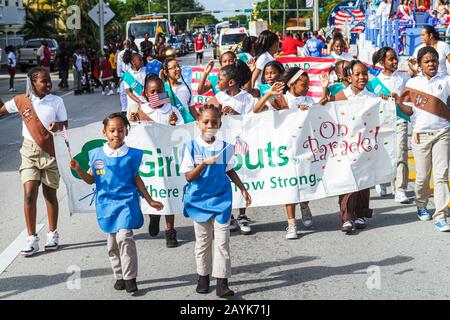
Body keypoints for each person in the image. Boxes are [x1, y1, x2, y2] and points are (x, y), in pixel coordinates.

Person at [70, 113, 164, 293]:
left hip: (126, 203)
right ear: (104, 132)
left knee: (125, 237)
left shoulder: (131, 155)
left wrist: (150, 200)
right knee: (112, 244)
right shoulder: (97, 155)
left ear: (126, 132)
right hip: (106, 204)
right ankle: (119, 275)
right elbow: (91, 180)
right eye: (112, 130)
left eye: (121, 130)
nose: (116, 134)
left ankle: (130, 278)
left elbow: (137, 180)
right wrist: (78, 169)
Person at [180, 104, 251, 298]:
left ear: (220, 124)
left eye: (214, 122)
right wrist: (203, 163)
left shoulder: (225, 147)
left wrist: (243, 189)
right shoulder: (191, 147)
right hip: (198, 201)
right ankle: (203, 276)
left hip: (221, 200)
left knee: (222, 242)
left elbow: (229, 170)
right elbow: (188, 177)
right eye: (205, 122)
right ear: (198, 123)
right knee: (203, 242)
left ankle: (222, 282)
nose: (210, 125)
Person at [0, 67, 68, 256]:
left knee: (49, 194)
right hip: (29, 151)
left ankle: (52, 233)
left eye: (49, 81)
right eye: (43, 81)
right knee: (29, 194)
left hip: (50, 151)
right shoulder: (21, 101)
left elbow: (65, 125)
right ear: (33, 82)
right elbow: (2, 110)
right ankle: (31, 238)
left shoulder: (56, 101)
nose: (48, 84)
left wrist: (59, 125)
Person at [320, 60, 379, 233]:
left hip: (365, 145)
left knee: (363, 180)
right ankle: (347, 217)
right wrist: (324, 95)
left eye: (364, 74)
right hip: (345, 146)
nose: (362, 77)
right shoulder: (342, 96)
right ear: (349, 77)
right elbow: (324, 111)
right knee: (347, 178)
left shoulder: (372, 97)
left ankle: (360, 214)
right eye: (357, 74)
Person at [397, 46, 450, 232]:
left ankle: (441, 214)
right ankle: (421, 205)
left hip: (443, 133)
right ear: (420, 64)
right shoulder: (412, 84)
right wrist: (398, 102)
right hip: (421, 135)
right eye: (427, 61)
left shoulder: (446, 80)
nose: (431, 64)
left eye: (434, 61)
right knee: (422, 176)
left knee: (442, 175)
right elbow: (409, 110)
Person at [367, 47, 411, 202]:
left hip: (400, 120)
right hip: (382, 123)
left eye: (395, 59)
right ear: (382, 62)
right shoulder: (374, 84)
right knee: (383, 154)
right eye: (390, 59)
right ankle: (381, 179)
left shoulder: (403, 77)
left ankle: (400, 188)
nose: (394, 62)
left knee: (401, 153)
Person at [162, 58, 196, 124]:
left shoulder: (187, 87)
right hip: (170, 127)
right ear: (166, 72)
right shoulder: (162, 89)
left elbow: (192, 109)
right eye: (174, 67)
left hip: (187, 126)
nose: (178, 69)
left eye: (178, 66)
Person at [116, 40, 132, 112]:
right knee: (123, 92)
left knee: (132, 91)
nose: (126, 45)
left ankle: (130, 107)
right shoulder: (120, 54)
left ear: (130, 44)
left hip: (132, 74)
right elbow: (119, 65)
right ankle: (124, 108)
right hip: (124, 74)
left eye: (127, 43)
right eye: (125, 43)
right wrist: (119, 75)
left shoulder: (133, 53)